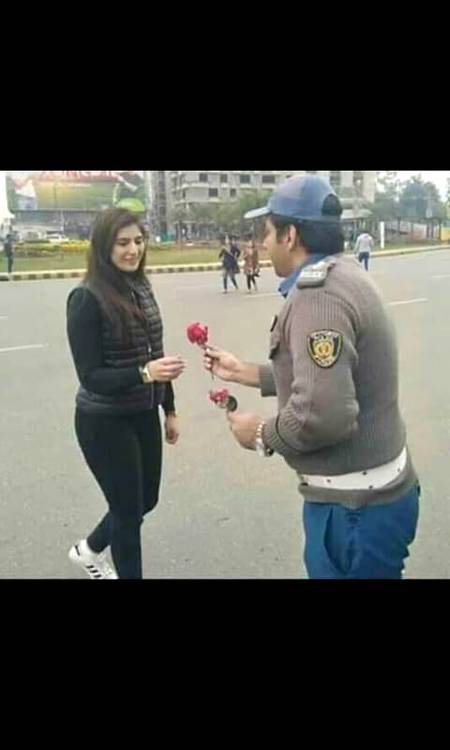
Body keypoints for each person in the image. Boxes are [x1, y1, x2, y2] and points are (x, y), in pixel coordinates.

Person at [203, 175, 419, 580]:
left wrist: (260, 434)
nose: (263, 243)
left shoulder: (318, 296)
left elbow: (322, 413)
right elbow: (334, 374)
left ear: (290, 236)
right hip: (371, 497)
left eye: (268, 231)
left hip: (355, 510)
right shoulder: (343, 273)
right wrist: (247, 373)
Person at [66, 208, 186, 579]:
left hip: (143, 412)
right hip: (104, 421)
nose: (133, 250)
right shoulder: (85, 298)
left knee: (145, 500)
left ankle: (88, 550)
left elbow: (156, 353)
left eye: (138, 241)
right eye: (122, 243)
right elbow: (91, 376)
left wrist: (169, 409)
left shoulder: (141, 287)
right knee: (127, 513)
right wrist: (144, 373)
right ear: (104, 247)